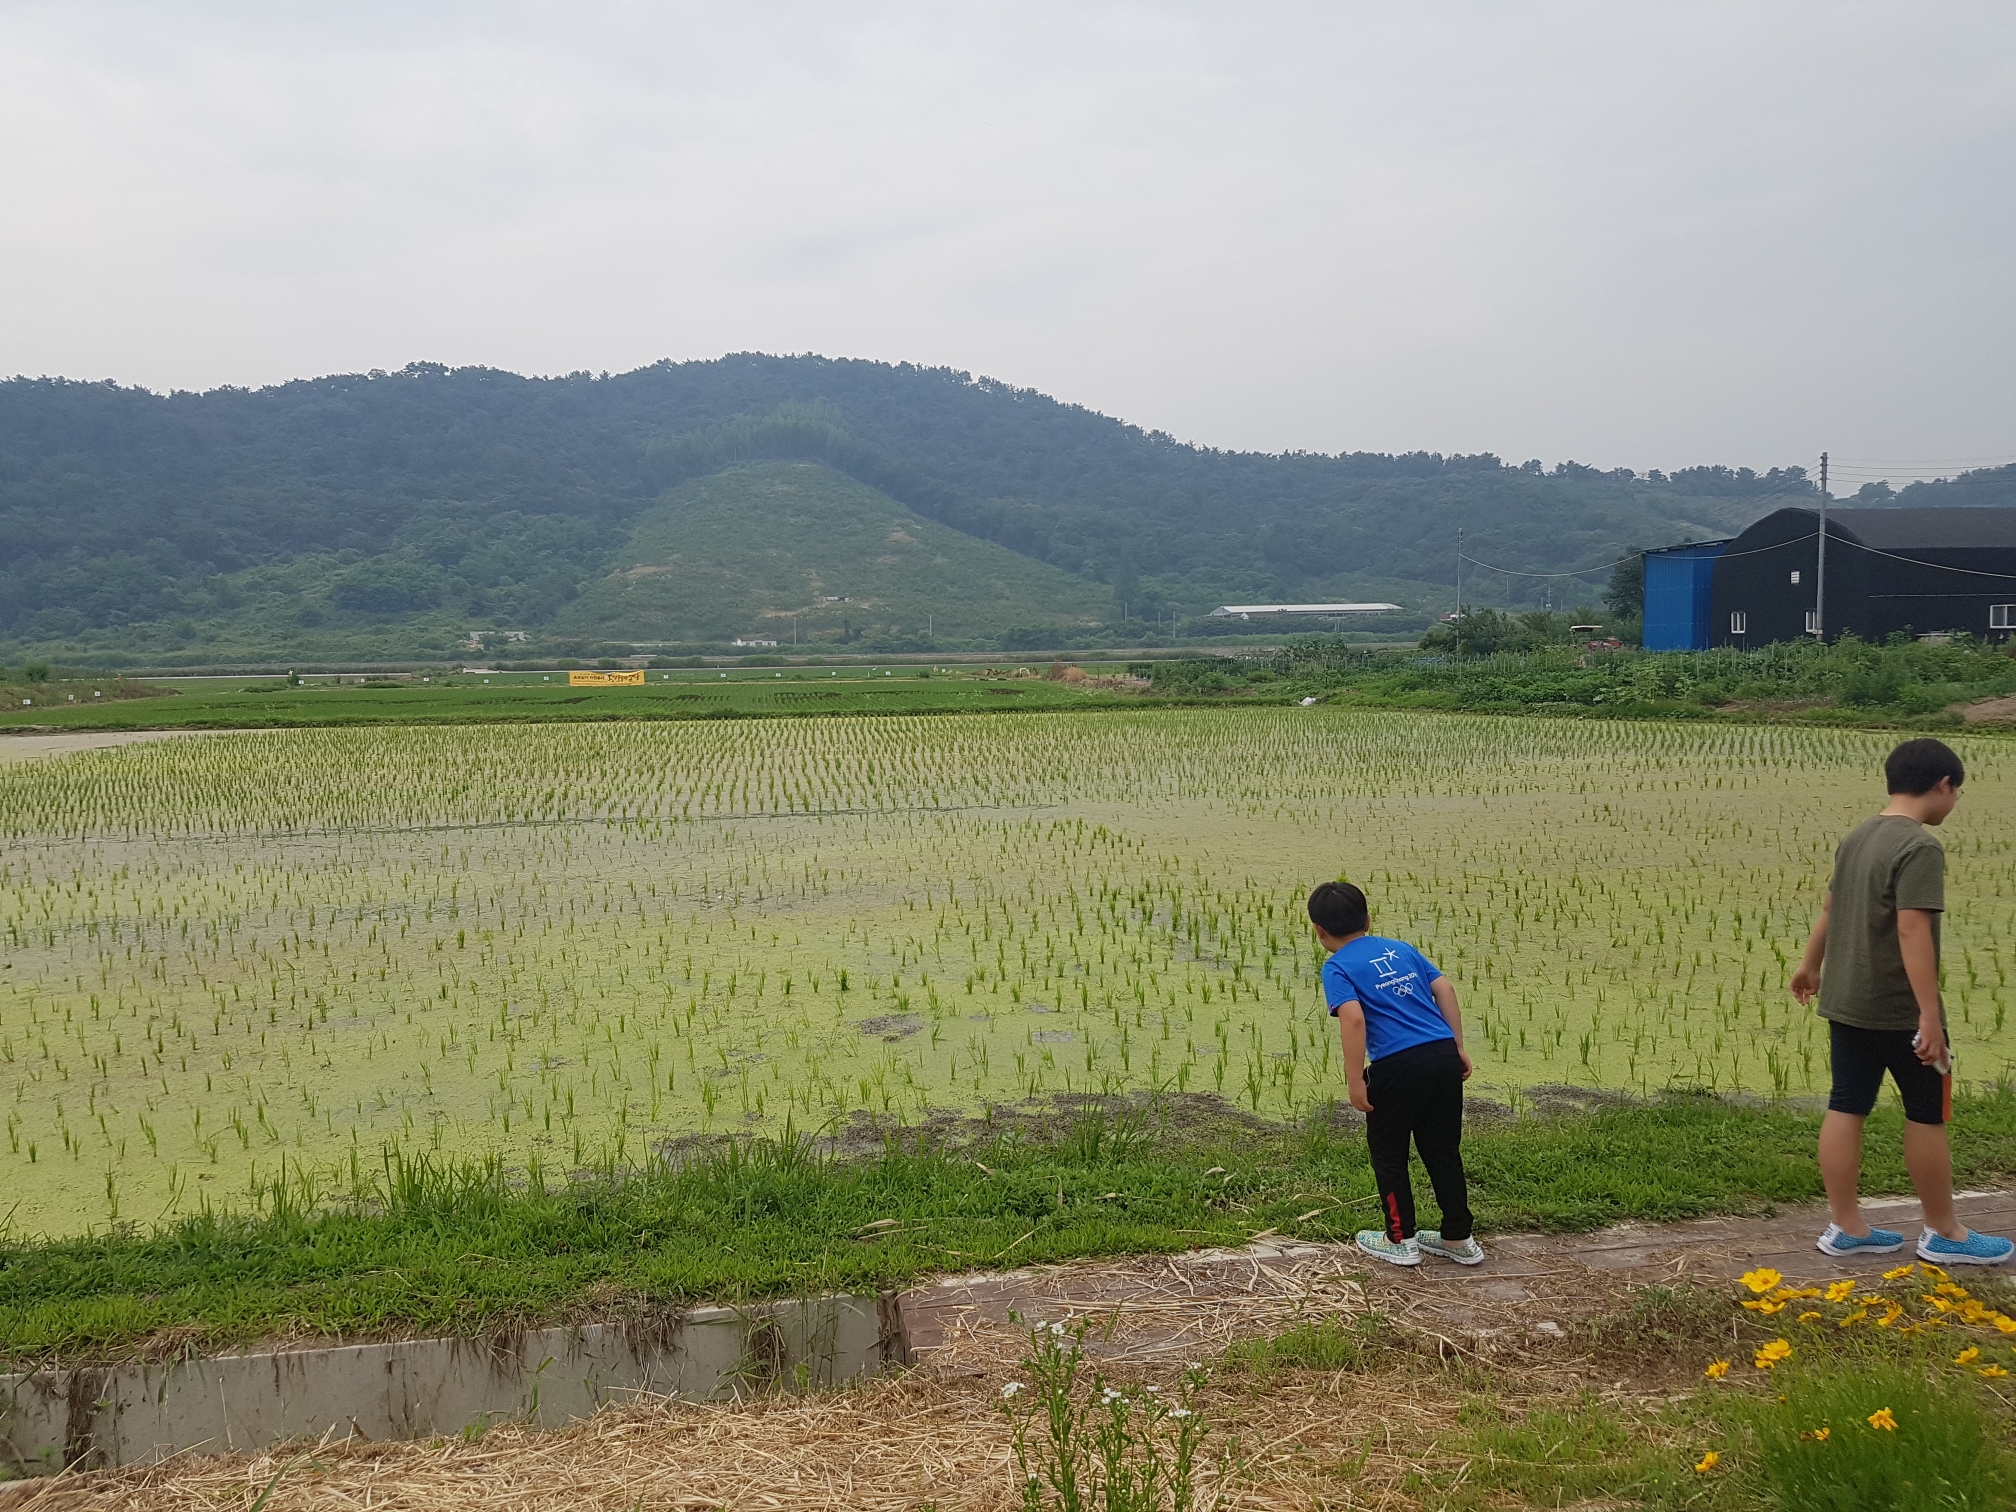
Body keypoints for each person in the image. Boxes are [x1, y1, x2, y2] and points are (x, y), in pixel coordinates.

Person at [1789, 737, 2013, 1266]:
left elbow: (1830, 907)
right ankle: (1945, 1233)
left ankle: (1846, 1226)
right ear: (1942, 785)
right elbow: (1913, 931)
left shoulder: (1859, 835)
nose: (1954, 802)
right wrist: (1929, 1017)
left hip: (1845, 1001)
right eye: (1957, 792)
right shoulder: (1919, 847)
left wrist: (1809, 965)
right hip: (1897, 1009)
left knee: (1847, 1103)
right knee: (1926, 1113)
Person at [1307, 879, 1481, 1267]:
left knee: (1389, 1155)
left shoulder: (1337, 967)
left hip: (1397, 1067)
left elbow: (1352, 1019)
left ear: (1319, 930)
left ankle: (1400, 1239)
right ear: (1368, 919)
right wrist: (1456, 1047)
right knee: (1443, 1151)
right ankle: (1459, 1237)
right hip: (1441, 1056)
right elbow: (1446, 989)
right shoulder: (1400, 949)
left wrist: (1355, 1080)